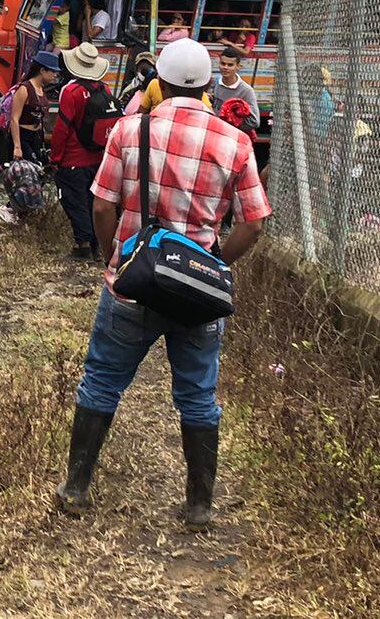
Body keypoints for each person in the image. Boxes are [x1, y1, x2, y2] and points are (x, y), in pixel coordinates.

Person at [52, 38, 272, 529]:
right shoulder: (234, 141)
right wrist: (217, 261)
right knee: (197, 393)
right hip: (196, 290)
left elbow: (103, 204)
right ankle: (198, 505)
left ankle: (77, 488)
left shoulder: (131, 131)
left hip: (133, 282)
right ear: (208, 87)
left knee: (103, 380)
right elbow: (254, 222)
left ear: (160, 84)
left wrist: (114, 256)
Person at [48, 41, 114, 260]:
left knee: (75, 200)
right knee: (92, 199)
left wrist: (55, 157)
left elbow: (62, 128)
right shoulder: (104, 88)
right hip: (98, 156)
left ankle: (83, 245)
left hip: (74, 158)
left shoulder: (71, 91)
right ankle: (97, 244)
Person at [0, 52, 60, 224]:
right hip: (22, 136)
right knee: (25, 176)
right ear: (42, 70)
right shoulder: (25, 89)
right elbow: (14, 118)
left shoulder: (42, 90)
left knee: (39, 174)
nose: (55, 75)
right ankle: (10, 207)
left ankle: (22, 211)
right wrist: (17, 146)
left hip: (35, 137)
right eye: (52, 71)